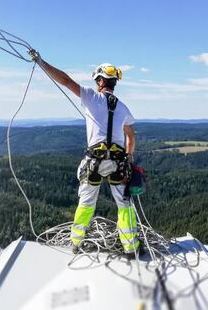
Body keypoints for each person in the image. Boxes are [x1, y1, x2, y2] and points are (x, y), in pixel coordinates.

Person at [28, 50, 140, 258]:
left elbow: (65, 80)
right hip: (117, 162)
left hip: (94, 162)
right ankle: (131, 246)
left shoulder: (91, 96)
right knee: (124, 205)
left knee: (87, 203)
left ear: (99, 81)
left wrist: (42, 63)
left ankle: (76, 243)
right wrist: (129, 159)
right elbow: (130, 138)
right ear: (114, 83)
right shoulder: (123, 108)